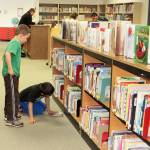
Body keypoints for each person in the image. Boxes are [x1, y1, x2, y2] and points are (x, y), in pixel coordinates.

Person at [2, 24, 31, 127]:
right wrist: (10, 69)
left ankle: (8, 114)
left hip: (12, 73)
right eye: (26, 38)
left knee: (10, 94)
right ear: (21, 35)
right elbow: (7, 54)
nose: (26, 41)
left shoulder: (15, 41)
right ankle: (12, 119)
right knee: (13, 96)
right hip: (11, 74)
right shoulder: (15, 42)